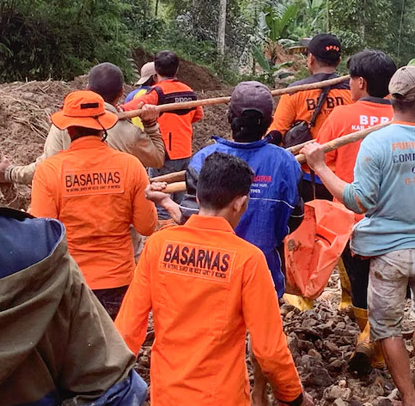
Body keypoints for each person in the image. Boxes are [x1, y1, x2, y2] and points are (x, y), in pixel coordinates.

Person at [301, 66, 415, 405]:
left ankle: (407, 396)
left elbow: (360, 200)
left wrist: (320, 166)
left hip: (388, 251)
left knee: (386, 327)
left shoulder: (376, 144)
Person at [115, 152, 313, 406]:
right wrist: (293, 395)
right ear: (240, 203)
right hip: (222, 396)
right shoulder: (248, 259)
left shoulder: (158, 246)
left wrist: (108, 384)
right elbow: (269, 350)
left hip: (167, 394)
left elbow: (128, 327)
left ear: (197, 197)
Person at [149, 81, 303, 298]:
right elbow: (295, 217)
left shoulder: (204, 159)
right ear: (269, 122)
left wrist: (164, 201)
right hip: (264, 276)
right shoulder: (286, 162)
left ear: (229, 117)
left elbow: (190, 219)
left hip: (212, 278)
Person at [0, 207, 147, 406]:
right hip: (62, 282)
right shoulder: (35, 245)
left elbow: (43, 209)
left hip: (60, 282)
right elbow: (145, 223)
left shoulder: (51, 174)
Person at [29, 90, 158, 319]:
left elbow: (42, 236)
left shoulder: (49, 171)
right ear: (104, 126)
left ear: (68, 129)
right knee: (114, 349)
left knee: (75, 352)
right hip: (118, 281)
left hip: (70, 280)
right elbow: (146, 227)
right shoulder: (131, 166)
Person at [315, 49, 397, 375]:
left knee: (361, 282)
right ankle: (375, 338)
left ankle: (371, 345)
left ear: (360, 82)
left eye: (350, 78)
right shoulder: (404, 119)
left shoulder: (340, 118)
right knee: (389, 282)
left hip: (352, 219)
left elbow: (321, 167)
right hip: (395, 219)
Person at [0, 62, 165, 185]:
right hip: (118, 231)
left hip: (71, 229)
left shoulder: (62, 124)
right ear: (120, 94)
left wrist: (9, 173)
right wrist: (150, 123)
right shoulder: (129, 134)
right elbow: (157, 159)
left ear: (86, 90)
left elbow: (45, 169)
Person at [268, 33, 353, 202]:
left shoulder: (294, 92)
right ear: (338, 61)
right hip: (344, 180)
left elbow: (277, 133)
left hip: (307, 176)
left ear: (311, 59)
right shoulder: (353, 92)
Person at [121, 51, 204, 220]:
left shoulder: (158, 92)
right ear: (177, 69)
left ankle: (162, 236)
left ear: (156, 71)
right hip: (185, 151)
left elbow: (132, 107)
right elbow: (198, 115)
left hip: (165, 154)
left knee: (161, 199)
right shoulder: (188, 91)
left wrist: (118, 110)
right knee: (182, 200)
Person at [125, 61, 157, 130]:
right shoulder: (156, 94)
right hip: (153, 133)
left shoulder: (131, 95)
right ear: (155, 77)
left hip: (135, 135)